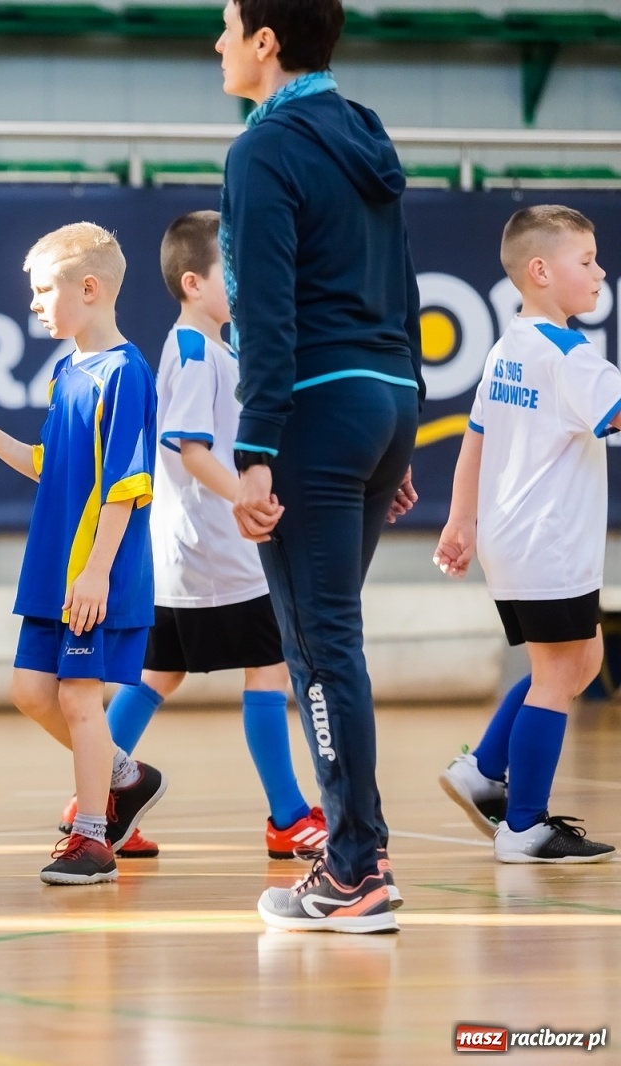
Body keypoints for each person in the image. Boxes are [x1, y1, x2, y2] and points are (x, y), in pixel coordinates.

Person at [217, 0, 421, 934]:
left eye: (227, 27)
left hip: (316, 411)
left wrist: (256, 449)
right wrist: (401, 432)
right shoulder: (366, 134)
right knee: (329, 642)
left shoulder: (263, 149)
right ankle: (360, 852)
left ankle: (353, 869)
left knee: (318, 649)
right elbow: (402, 286)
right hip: (385, 401)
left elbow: (263, 308)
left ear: (266, 42)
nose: (217, 45)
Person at [98, 211, 323, 862]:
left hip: (183, 553)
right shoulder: (196, 354)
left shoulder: (208, 348)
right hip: (216, 553)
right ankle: (287, 817)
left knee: (159, 674)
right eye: (235, 272)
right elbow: (189, 449)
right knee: (268, 668)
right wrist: (245, 495)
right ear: (193, 283)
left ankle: (95, 803)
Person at [0, 222, 166, 886]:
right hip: (54, 568)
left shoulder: (126, 373)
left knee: (79, 698)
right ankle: (126, 777)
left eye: (44, 289)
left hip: (94, 568)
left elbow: (126, 485)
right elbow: (51, 466)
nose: (34, 303)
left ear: (90, 288)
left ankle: (94, 838)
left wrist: (97, 571)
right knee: (31, 692)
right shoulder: (66, 371)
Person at [434, 205, 618, 865]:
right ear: (540, 271)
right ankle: (524, 826)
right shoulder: (569, 355)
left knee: (580, 660)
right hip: (548, 544)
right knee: (559, 673)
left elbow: (475, 436)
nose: (600, 273)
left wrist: (461, 518)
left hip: (516, 541)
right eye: (587, 261)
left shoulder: (509, 346)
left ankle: (483, 769)